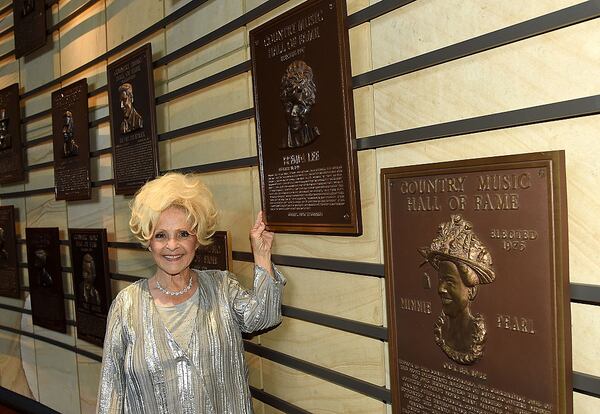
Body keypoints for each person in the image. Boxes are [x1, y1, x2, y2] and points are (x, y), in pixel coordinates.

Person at [97, 172, 285, 413]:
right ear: (148, 242)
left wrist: (261, 255)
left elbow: (265, 315)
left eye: (183, 234)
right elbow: (110, 393)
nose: (172, 245)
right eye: (161, 235)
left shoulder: (221, 288)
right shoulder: (126, 306)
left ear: (198, 239)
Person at [418, 215, 495, 365]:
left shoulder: (476, 334)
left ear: (471, 290)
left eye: (450, 281)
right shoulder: (441, 331)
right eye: (440, 280)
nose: (441, 289)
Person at [280, 60, 320, 149]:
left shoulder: (313, 133)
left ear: (309, 105)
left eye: (300, 105)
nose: (293, 113)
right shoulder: (283, 141)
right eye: (289, 106)